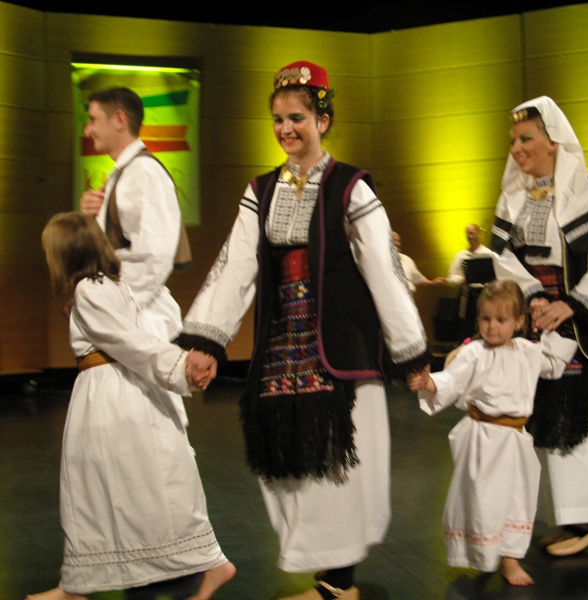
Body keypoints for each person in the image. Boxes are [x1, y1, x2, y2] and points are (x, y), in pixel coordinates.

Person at [177, 61, 429, 600]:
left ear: (323, 120)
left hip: (338, 348)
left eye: (297, 118)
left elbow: (383, 269)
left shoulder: (350, 186)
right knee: (291, 466)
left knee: (338, 466)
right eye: (278, 119)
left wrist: (410, 352)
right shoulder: (262, 190)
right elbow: (236, 265)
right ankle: (326, 577)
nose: (286, 128)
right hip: (281, 349)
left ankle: (339, 584)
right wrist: (207, 342)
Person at [29, 212, 234, 600]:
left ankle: (83, 586)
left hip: (110, 396)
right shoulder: (108, 284)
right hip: (118, 389)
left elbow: (130, 341)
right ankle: (81, 583)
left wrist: (180, 366)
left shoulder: (90, 290)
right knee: (134, 485)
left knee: (104, 488)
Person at [490, 96, 588, 556]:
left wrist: (570, 305)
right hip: (532, 313)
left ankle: (586, 520)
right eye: (513, 141)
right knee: (539, 417)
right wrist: (533, 297)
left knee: (576, 416)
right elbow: (503, 257)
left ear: (553, 142)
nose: (517, 148)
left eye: (526, 138)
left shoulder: (583, 189)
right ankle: (561, 518)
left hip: (573, 318)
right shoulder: (513, 196)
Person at [408, 280, 576, 586]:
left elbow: (554, 364)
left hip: (515, 440)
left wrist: (548, 324)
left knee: (517, 498)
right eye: (486, 318)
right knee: (484, 499)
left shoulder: (526, 351)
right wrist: (428, 383)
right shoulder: (474, 353)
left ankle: (510, 560)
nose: (492, 326)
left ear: (519, 322)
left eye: (501, 319)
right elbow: (451, 381)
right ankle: (484, 554)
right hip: (483, 440)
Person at [80, 86, 189, 426]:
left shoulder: (145, 173)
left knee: (144, 420)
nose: (87, 129)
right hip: (126, 312)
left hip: (138, 315)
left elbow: (155, 255)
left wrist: (115, 303)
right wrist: (90, 219)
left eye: (93, 119)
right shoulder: (124, 173)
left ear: (119, 120)